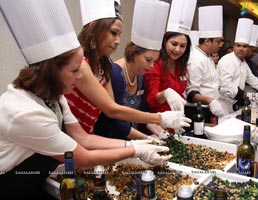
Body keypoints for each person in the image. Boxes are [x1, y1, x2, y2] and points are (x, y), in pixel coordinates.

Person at [0, 1, 171, 198]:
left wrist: (136, 144)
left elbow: (82, 137)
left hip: (39, 173)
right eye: (74, 71)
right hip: (11, 182)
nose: (80, 76)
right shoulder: (26, 112)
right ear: (51, 72)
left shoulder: (55, 97)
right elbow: (82, 157)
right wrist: (134, 149)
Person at [65, 0, 191, 135]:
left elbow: (114, 108)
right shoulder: (82, 65)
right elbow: (112, 110)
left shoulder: (104, 65)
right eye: (114, 33)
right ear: (93, 27)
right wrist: (158, 119)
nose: (118, 40)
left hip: (88, 137)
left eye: (119, 34)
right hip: (76, 139)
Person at [94, 0, 171, 140]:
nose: (151, 66)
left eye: (154, 61)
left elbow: (143, 111)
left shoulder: (140, 76)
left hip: (131, 141)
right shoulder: (116, 73)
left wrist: (160, 132)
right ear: (134, 53)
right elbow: (112, 118)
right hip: (111, 140)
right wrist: (145, 138)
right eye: (148, 60)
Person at [144, 0, 196, 118]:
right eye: (174, 44)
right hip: (157, 122)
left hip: (177, 120)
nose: (178, 49)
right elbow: (151, 100)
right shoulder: (155, 64)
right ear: (165, 42)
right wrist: (166, 94)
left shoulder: (181, 65)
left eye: (182, 46)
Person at [218, 18, 258, 115]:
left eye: (244, 46)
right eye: (238, 45)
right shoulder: (227, 60)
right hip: (222, 104)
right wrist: (248, 95)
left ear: (248, 48)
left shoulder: (244, 63)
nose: (241, 49)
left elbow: (252, 79)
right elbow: (227, 86)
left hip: (234, 104)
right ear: (234, 46)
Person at [185, 5, 225, 127]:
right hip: (197, 111)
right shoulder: (196, 59)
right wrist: (210, 101)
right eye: (218, 41)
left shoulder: (208, 57)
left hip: (209, 109)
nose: (220, 45)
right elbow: (191, 93)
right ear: (207, 41)